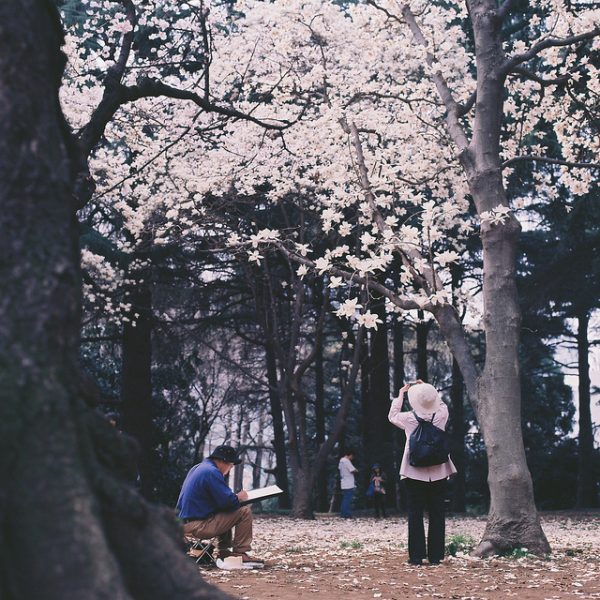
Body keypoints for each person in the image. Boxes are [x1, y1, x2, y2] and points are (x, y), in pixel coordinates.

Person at [388, 381, 456, 566]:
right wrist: (427, 388)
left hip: (413, 472)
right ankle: (435, 557)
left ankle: (416, 557)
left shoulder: (409, 418)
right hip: (439, 472)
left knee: (415, 514)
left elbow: (392, 415)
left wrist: (401, 393)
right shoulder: (441, 415)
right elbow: (442, 404)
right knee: (437, 514)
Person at [176, 444, 262, 565]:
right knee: (244, 511)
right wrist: (239, 497)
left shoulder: (198, 467)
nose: (230, 469)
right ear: (223, 461)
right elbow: (229, 502)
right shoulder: (212, 472)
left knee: (224, 511)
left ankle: (224, 551)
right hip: (199, 526)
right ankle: (240, 552)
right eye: (231, 465)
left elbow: (221, 501)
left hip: (185, 523)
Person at [338, 448, 358, 518]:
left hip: (344, 482)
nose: (352, 458)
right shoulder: (346, 461)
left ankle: (343, 513)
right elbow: (352, 470)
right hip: (348, 483)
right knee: (347, 499)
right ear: (351, 455)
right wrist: (356, 470)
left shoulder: (341, 461)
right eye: (352, 457)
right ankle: (346, 514)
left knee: (345, 499)